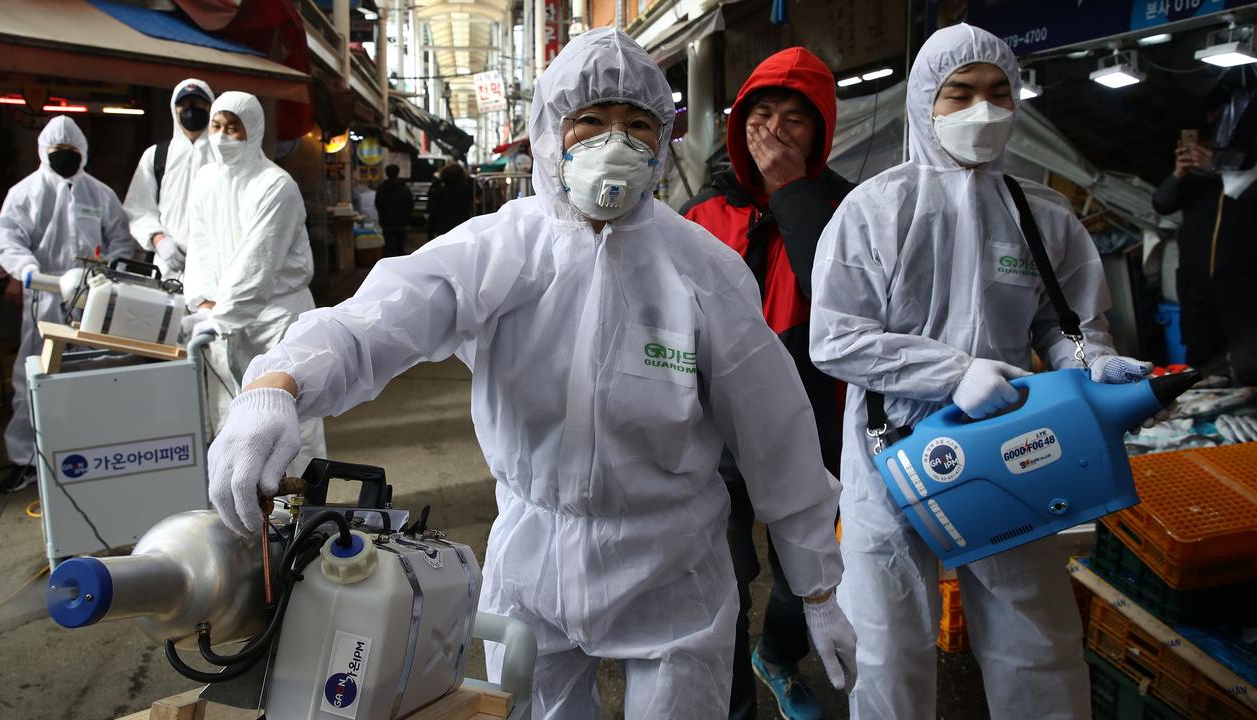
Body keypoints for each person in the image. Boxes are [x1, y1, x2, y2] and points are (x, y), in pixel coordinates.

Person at [203, 28, 855, 720]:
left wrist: (818, 583)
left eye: (638, 124)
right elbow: (381, 317)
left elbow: (774, 431)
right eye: (591, 121)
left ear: (665, 140)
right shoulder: (503, 248)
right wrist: (278, 383)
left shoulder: (701, 269)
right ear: (551, 133)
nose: (617, 144)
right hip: (533, 560)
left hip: (672, 563)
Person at [809, 24, 1157, 720]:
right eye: (960, 94)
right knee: (887, 644)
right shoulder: (875, 210)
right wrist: (950, 372)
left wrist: (1095, 364)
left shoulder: (1041, 215)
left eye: (1000, 94)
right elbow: (835, 338)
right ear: (924, 105)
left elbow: (1065, 328)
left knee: (1036, 637)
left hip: (1010, 447)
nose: (984, 111)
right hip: (890, 456)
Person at [682, 47, 852, 720]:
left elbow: (837, 300)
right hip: (713, 442)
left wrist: (790, 193)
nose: (775, 131)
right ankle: (734, 708)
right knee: (722, 581)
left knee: (802, 577)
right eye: (761, 113)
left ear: (820, 132)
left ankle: (777, 653)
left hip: (809, 430)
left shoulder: (846, 209)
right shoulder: (701, 215)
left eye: (794, 119)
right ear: (737, 124)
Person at [180, 91, 326, 475]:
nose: (224, 136)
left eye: (234, 128)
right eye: (217, 126)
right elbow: (201, 247)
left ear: (254, 130)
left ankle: (297, 520)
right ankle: (246, 516)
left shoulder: (275, 185)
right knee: (233, 419)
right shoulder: (207, 180)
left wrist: (221, 315)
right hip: (226, 322)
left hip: (275, 320)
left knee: (288, 423)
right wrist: (202, 300)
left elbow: (257, 262)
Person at [0, 116, 139, 493]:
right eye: (58, 152)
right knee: (34, 375)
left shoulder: (99, 194)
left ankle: (92, 453)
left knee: (95, 371)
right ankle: (27, 459)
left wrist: (108, 273)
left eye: (72, 151)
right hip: (44, 297)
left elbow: (121, 239)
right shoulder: (25, 193)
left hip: (94, 298)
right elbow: (8, 236)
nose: (65, 157)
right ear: (44, 152)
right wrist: (25, 269)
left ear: (83, 153)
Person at [1151, 91, 1257, 385]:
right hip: (1195, 281)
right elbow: (1162, 204)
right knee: (1202, 358)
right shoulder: (1194, 177)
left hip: (1242, 282)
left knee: (1249, 360)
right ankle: (1206, 417)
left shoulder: (1247, 174)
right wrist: (1179, 173)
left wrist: (1220, 169)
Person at [124, 78, 215, 277]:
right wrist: (159, 240)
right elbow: (137, 208)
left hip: (214, 267)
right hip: (167, 267)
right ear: (174, 110)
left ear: (210, 107)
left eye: (198, 104)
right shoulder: (157, 155)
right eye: (184, 104)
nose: (191, 110)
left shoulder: (223, 155)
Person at [374, 164, 415, 256]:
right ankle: (400, 264)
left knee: (388, 246)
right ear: (398, 173)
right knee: (400, 246)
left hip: (386, 222)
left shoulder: (381, 188)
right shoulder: (405, 188)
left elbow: (378, 204)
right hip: (402, 222)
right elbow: (410, 205)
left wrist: (383, 214)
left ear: (386, 173)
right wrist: (407, 216)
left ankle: (389, 264)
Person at [426, 161, 473, 239]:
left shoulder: (439, 191)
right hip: (462, 224)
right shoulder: (467, 190)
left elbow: (432, 211)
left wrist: (430, 232)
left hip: (443, 225)